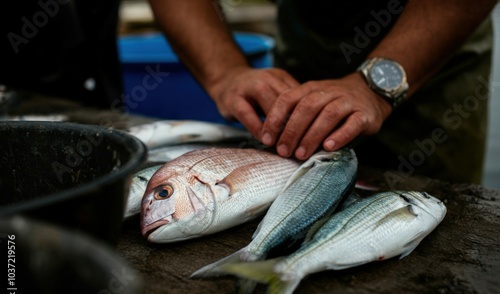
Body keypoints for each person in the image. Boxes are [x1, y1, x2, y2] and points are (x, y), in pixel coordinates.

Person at [148, 0, 497, 184]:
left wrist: (378, 85)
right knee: (292, 170)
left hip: (431, 51)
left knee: (431, 213)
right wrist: (224, 73)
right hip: (307, 37)